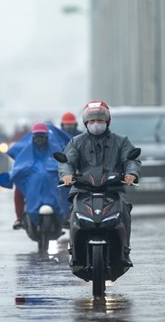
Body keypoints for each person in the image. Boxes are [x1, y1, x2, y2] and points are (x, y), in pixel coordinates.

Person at [59, 100, 141, 266]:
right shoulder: (76, 142)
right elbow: (67, 161)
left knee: (124, 210)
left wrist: (131, 173)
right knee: (74, 212)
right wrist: (66, 175)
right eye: (92, 121)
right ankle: (74, 251)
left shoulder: (121, 141)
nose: (96, 124)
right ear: (86, 123)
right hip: (83, 190)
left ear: (107, 121)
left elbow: (131, 160)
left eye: (100, 120)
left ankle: (125, 250)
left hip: (113, 189)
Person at [9, 122, 70, 230]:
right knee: (18, 189)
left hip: (52, 179)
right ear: (33, 136)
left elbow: (63, 162)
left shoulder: (55, 147)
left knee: (66, 186)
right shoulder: (26, 149)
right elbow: (20, 164)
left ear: (47, 136)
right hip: (32, 178)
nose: (40, 138)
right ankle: (19, 218)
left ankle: (66, 216)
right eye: (37, 136)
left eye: (42, 136)